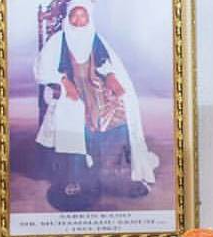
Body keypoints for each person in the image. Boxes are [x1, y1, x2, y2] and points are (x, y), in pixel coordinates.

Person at [33, 1, 159, 210]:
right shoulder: (58, 40)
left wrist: (111, 76)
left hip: (95, 86)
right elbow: (42, 69)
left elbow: (107, 64)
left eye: (83, 15)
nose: (78, 20)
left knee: (120, 108)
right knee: (75, 114)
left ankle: (112, 168)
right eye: (74, 15)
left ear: (89, 18)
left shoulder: (95, 38)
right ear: (68, 17)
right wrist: (63, 81)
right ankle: (76, 176)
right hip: (71, 87)